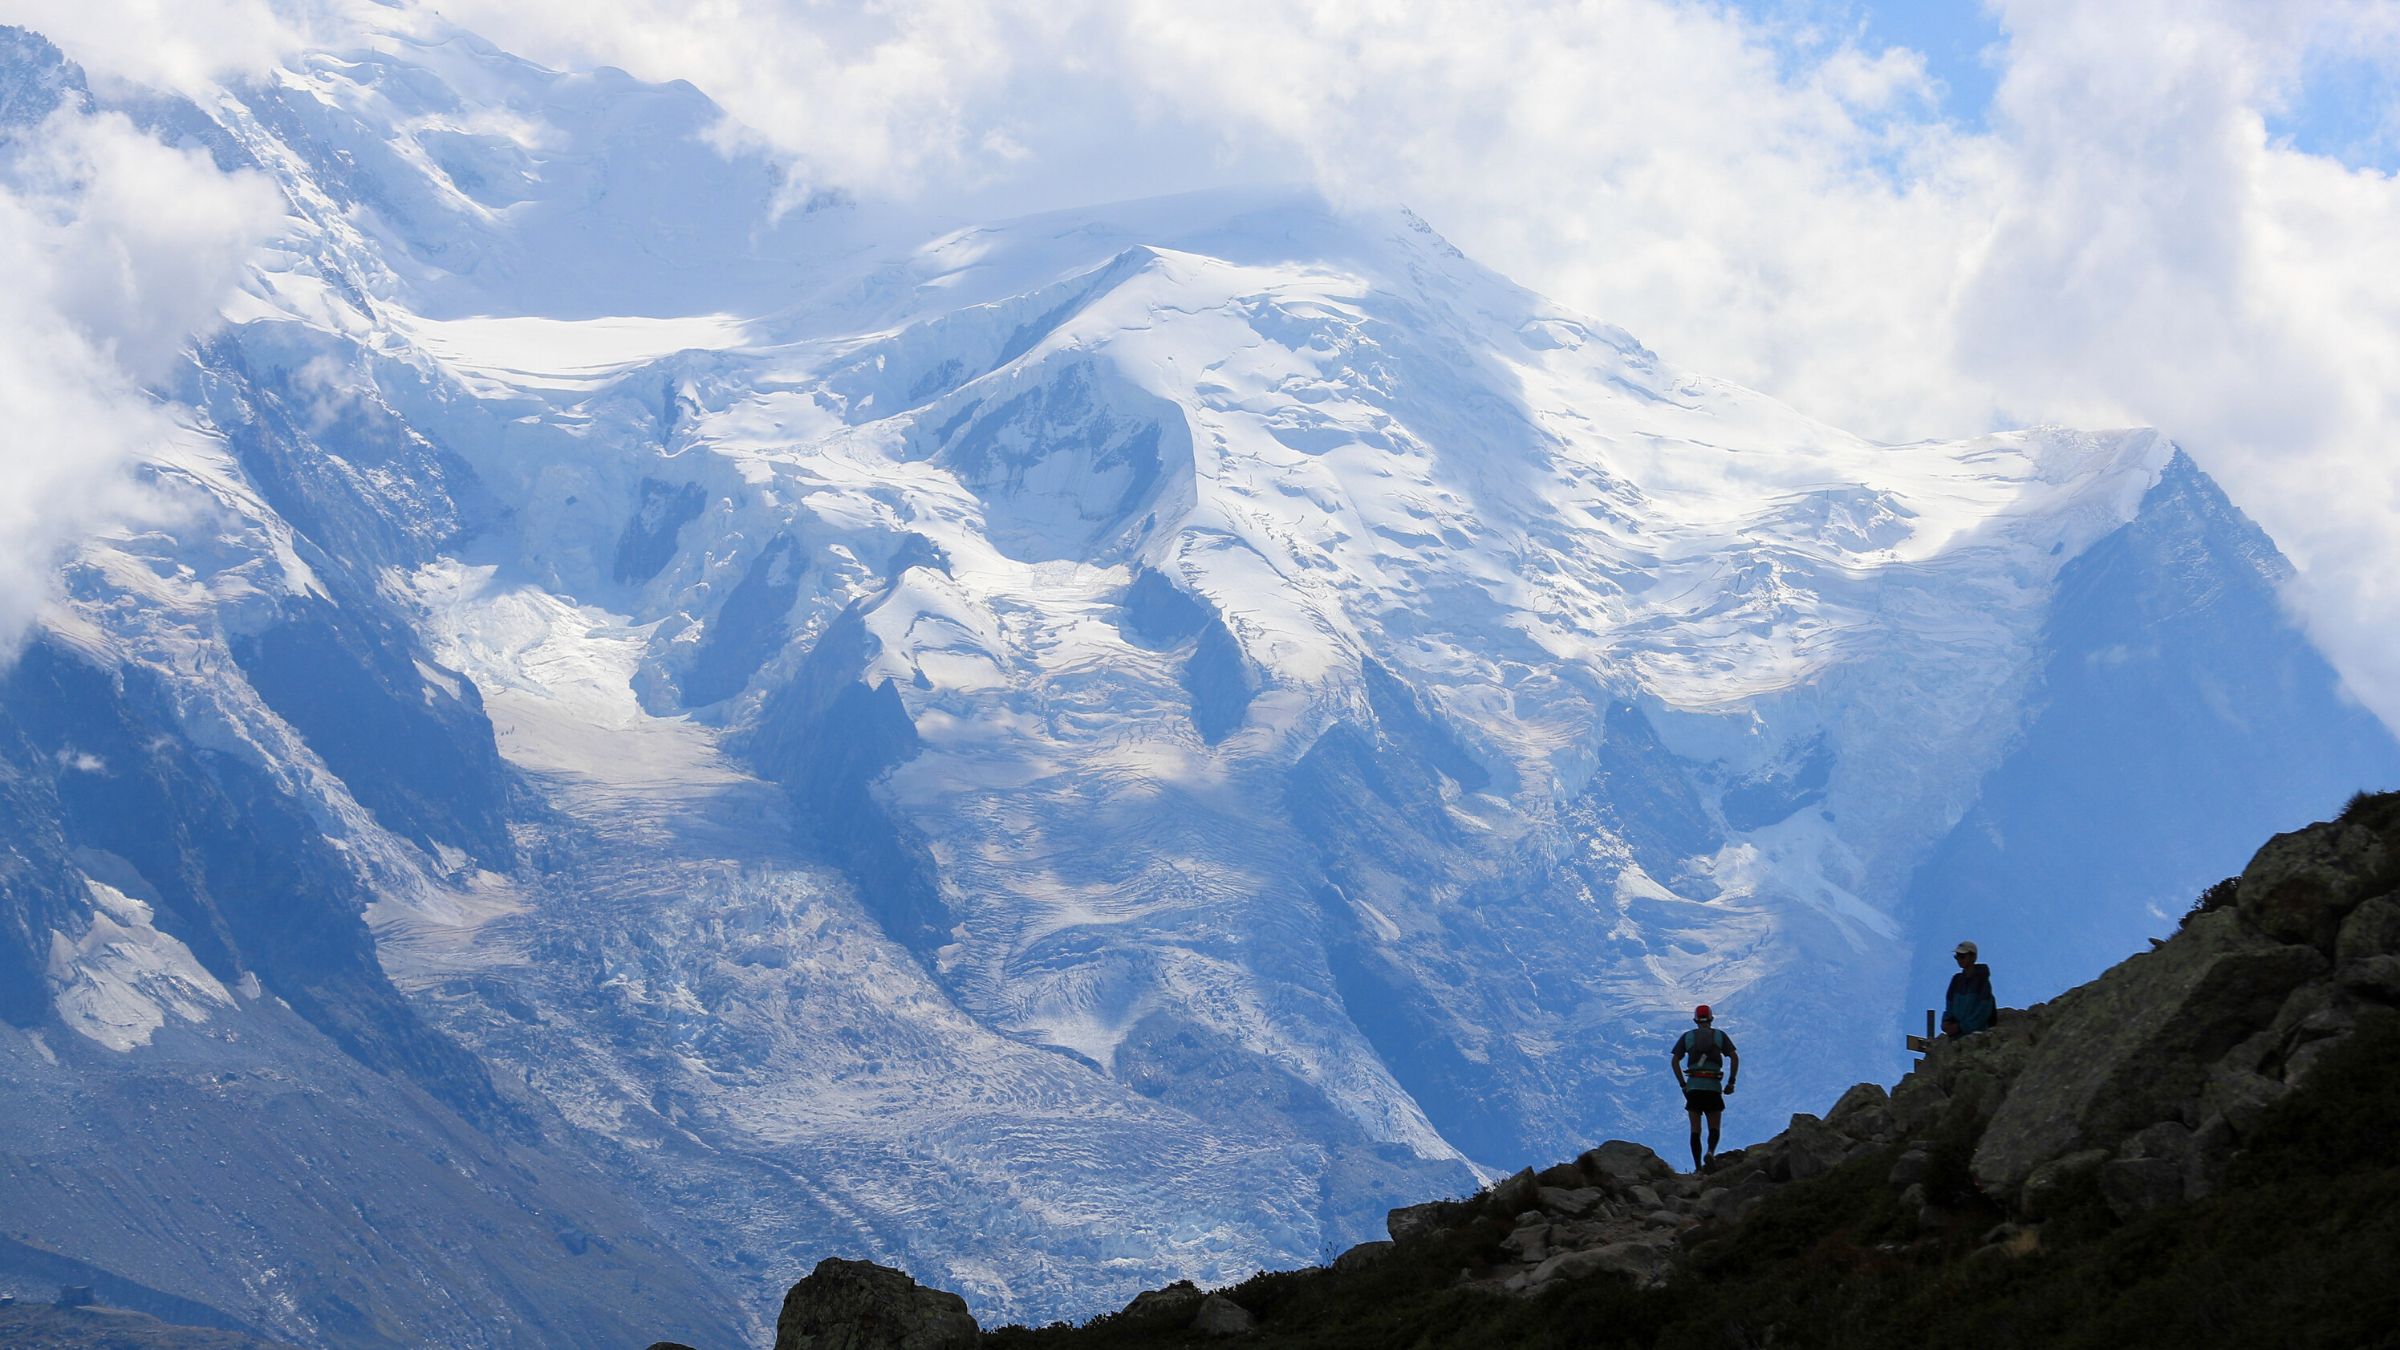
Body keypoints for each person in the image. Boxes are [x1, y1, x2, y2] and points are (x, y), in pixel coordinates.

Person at [1669, 1004, 1738, 1171]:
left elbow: (1674, 1061)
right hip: (1713, 1087)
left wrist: (1683, 1085)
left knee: (1695, 1129)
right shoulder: (1720, 1036)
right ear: (1711, 1019)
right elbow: (1734, 1058)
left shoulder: (1687, 1037)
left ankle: (1698, 1168)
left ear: (1695, 1021)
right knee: (1714, 1127)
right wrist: (1731, 1082)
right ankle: (1710, 1152)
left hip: (1693, 1088)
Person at [1943, 940, 1996, 1037]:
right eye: (1957, 956)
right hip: (1958, 1036)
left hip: (1977, 1038)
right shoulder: (1956, 980)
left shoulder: (1982, 981)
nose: (1959, 959)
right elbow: (1949, 1006)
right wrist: (1946, 1022)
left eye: (1962, 956)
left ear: (1973, 957)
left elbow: (1982, 1013)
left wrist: (1960, 1027)